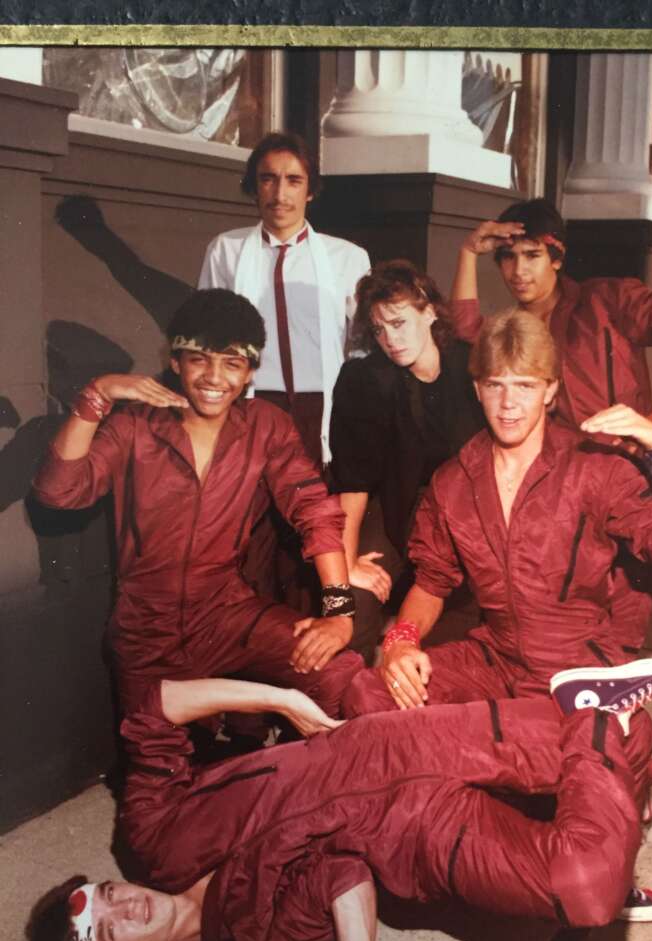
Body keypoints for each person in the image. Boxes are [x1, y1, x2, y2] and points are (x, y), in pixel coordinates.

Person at [27, 654, 652, 941]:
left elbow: (153, 710)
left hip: (387, 749)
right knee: (586, 891)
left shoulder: (155, 833)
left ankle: (596, 741)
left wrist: (279, 700)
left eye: (109, 894)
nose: (127, 905)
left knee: (608, 749)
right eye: (113, 931)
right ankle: (597, 736)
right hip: (414, 838)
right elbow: (342, 873)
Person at [343, 308, 652, 815]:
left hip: (579, 669)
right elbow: (432, 583)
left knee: (562, 749)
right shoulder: (454, 481)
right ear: (476, 389)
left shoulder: (593, 468)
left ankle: (602, 748)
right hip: (495, 658)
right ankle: (569, 753)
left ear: (550, 390)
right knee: (369, 694)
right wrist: (402, 641)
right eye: (495, 385)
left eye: (524, 385)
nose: (509, 403)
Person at [31, 288, 363, 720]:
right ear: (175, 362)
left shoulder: (265, 425)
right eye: (199, 359)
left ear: (249, 373)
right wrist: (98, 393)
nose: (213, 377)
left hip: (229, 615)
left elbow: (314, 510)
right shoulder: (135, 425)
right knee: (155, 780)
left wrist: (338, 612)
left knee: (342, 675)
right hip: (146, 630)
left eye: (232, 363)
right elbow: (58, 492)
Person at [450, 197, 652, 651]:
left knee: (621, 625)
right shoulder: (514, 330)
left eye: (533, 255)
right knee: (560, 625)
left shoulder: (605, 301)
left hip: (627, 481)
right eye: (508, 257)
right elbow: (465, 332)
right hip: (558, 493)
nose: (519, 270)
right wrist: (465, 253)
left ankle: (612, 701)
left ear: (557, 257)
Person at [327, 260, 486, 662]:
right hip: (395, 508)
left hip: (464, 513)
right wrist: (347, 564)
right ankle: (342, 707)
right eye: (379, 329)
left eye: (398, 323)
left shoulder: (471, 366)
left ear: (429, 311)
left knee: (456, 629)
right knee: (355, 599)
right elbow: (352, 482)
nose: (389, 339)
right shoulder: (365, 379)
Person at [198, 131, 370, 467]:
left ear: (310, 190)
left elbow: (361, 343)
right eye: (268, 179)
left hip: (322, 407)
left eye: (293, 180)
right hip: (251, 401)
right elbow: (208, 337)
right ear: (254, 186)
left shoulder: (347, 257)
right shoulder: (225, 250)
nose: (279, 194)